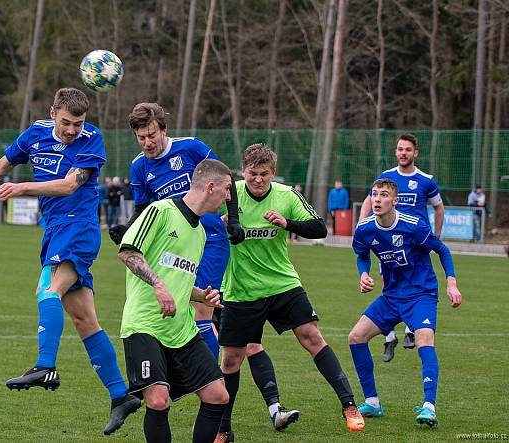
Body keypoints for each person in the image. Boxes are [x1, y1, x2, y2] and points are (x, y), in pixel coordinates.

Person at [0, 88, 140, 435]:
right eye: (66, 122)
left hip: (78, 228)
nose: (73, 129)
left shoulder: (92, 139)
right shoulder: (35, 134)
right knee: (84, 320)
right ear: (52, 113)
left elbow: (70, 185)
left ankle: (45, 365)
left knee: (46, 291)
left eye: (78, 122)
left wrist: (22, 188)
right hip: (55, 231)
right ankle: (121, 395)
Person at [216, 144, 364, 442]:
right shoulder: (229, 194)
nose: (258, 179)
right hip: (242, 291)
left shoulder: (287, 195)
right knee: (230, 360)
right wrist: (216, 225)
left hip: (283, 284)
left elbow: (320, 228)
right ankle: (223, 428)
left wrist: (288, 224)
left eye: (265, 174)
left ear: (273, 173)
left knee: (312, 337)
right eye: (253, 173)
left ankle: (349, 406)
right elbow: (197, 216)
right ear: (243, 171)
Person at [108, 102, 245, 361]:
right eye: (141, 137)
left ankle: (212, 380)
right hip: (172, 245)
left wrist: (235, 219)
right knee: (177, 308)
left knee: (200, 308)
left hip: (210, 238)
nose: (147, 142)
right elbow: (142, 208)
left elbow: (227, 179)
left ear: (164, 130)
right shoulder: (139, 166)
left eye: (151, 135)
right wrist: (128, 228)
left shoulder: (190, 148)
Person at [117, 159, 231, 443]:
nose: (229, 197)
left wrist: (202, 296)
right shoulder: (160, 211)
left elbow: (179, 279)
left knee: (218, 394)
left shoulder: (201, 232)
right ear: (211, 186)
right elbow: (128, 253)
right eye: (227, 189)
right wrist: (158, 284)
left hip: (181, 330)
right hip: (145, 325)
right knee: (157, 400)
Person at [349, 178, 462, 429]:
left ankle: (429, 407)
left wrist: (451, 283)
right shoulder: (366, 229)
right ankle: (372, 402)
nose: (377, 199)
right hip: (391, 296)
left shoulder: (414, 226)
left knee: (424, 340)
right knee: (356, 337)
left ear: (395, 201)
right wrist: (363, 274)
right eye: (374, 194)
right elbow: (361, 255)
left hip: (421, 294)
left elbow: (442, 250)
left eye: (384, 195)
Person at [357, 133, 445, 362]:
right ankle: (390, 336)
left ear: (415, 153)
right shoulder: (386, 178)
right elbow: (370, 199)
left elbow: (438, 207)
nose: (403, 153)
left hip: (415, 244)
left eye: (407, 150)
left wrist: (436, 235)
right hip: (387, 240)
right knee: (388, 285)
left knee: (415, 286)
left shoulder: (426, 180)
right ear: (396, 152)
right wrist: (361, 222)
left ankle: (410, 329)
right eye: (399, 149)